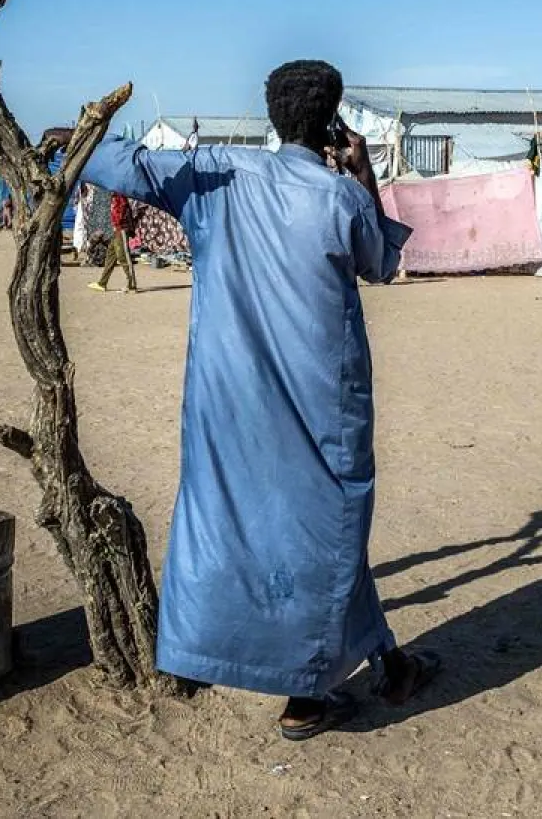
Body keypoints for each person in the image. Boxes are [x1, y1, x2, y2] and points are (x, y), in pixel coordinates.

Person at [81, 59, 439, 739]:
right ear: (332, 120)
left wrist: (82, 131)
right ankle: (305, 698)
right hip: (319, 403)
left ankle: (384, 664)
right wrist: (362, 172)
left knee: (260, 523)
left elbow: (110, 162)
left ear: (271, 113)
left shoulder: (216, 173)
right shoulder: (339, 197)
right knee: (325, 528)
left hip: (229, 397)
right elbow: (380, 261)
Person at [88, 192, 137, 292]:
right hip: (116, 229)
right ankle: (102, 283)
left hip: (121, 229)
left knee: (123, 257)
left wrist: (117, 224)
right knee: (110, 255)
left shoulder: (120, 195)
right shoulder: (115, 195)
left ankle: (131, 284)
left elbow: (121, 211)